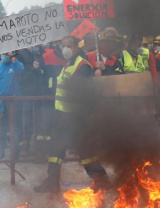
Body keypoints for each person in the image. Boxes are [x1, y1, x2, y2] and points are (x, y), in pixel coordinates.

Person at [34, 35, 111, 193]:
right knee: (56, 149)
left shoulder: (82, 66)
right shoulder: (68, 64)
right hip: (62, 116)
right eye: (63, 45)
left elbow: (87, 96)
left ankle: (102, 180)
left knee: (86, 153)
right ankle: (52, 181)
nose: (65, 49)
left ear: (77, 47)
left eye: (69, 45)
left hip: (74, 118)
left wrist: (81, 118)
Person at [0, 51, 24, 159]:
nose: (5, 55)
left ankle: (15, 154)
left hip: (13, 102)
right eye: (4, 53)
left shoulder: (16, 65)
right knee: (0, 128)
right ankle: (0, 152)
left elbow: (21, 69)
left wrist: (13, 57)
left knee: (15, 128)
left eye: (7, 54)